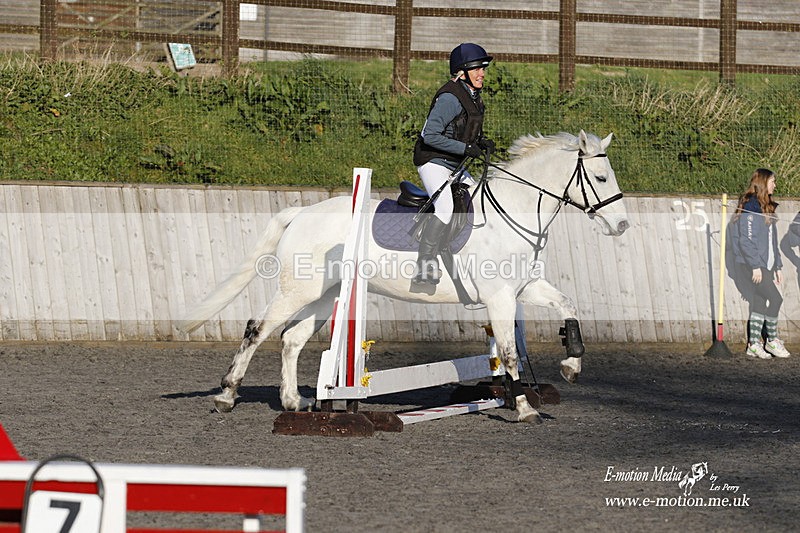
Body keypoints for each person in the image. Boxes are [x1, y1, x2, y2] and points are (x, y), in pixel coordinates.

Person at [411, 42, 495, 285]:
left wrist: (481, 142)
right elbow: (430, 135)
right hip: (433, 161)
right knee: (446, 207)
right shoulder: (450, 97)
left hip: (454, 164)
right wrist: (465, 149)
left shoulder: (474, 97)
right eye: (477, 68)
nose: (482, 73)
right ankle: (425, 264)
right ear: (462, 71)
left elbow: (464, 131)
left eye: (483, 68)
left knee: (479, 199)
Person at [730, 168, 790, 358]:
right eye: (773, 181)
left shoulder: (767, 206)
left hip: (767, 264)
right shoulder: (750, 206)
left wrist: (777, 266)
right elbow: (746, 240)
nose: (775, 184)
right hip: (752, 264)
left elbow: (772, 239)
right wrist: (755, 266)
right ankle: (772, 340)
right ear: (763, 182)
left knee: (759, 301)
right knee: (775, 298)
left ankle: (754, 344)